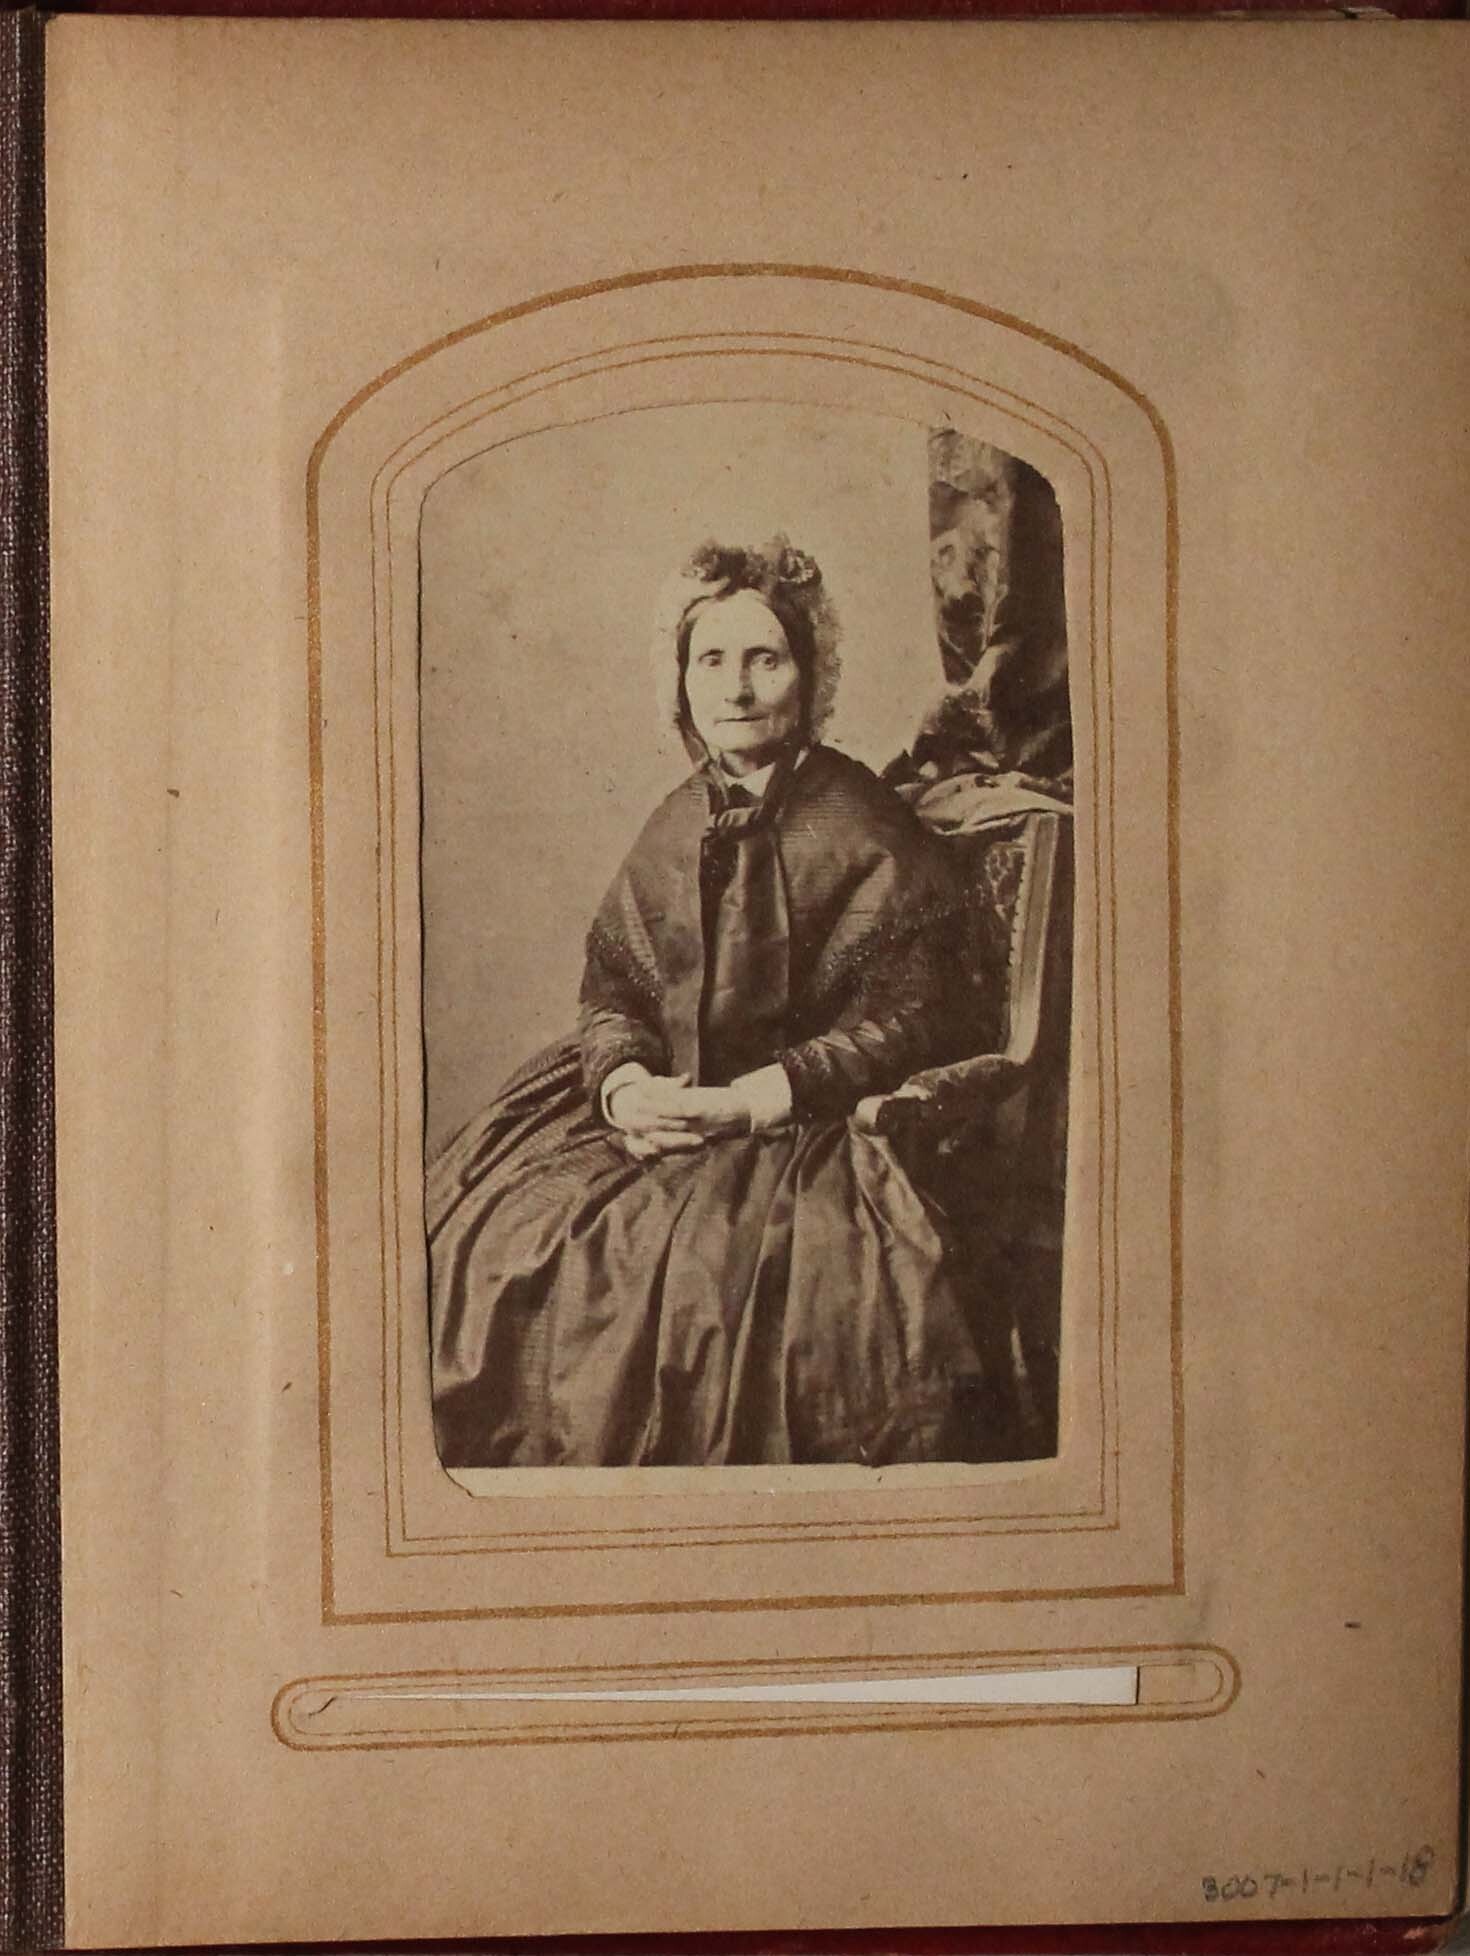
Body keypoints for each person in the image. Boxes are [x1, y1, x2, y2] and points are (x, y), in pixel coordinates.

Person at [427, 538, 994, 1468]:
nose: (736, 688)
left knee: (705, 1290)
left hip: (807, 1131)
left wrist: (753, 1097)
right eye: (712, 660)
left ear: (809, 678)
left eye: (765, 660)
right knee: (496, 1235)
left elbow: (912, 1020)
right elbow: (613, 988)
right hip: (668, 1106)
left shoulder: (865, 823)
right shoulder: (676, 816)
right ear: (682, 682)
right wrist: (624, 1089)